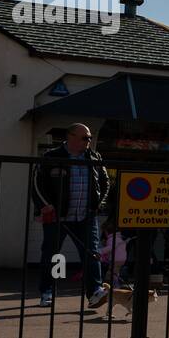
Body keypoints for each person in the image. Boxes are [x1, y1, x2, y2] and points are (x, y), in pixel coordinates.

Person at [32, 123, 110, 308]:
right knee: (53, 255)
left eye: (90, 138)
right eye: (85, 138)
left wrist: (98, 203)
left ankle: (95, 293)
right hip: (58, 216)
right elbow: (37, 183)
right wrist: (45, 206)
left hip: (85, 216)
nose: (88, 141)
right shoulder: (51, 157)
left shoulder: (94, 157)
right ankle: (47, 291)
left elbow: (105, 182)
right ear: (71, 137)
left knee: (92, 254)